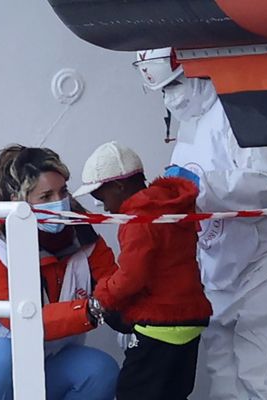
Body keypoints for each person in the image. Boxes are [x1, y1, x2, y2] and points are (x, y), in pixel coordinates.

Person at [133, 47, 267, 400]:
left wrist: (197, 185)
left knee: (266, 375)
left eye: (176, 84)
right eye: (165, 90)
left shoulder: (242, 109)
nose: (172, 97)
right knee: (223, 376)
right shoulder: (191, 124)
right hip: (222, 267)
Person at [0, 145, 120, 400]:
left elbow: (116, 286)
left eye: (63, 191)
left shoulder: (86, 241)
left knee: (101, 370)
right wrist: (92, 309)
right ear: (18, 202)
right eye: (45, 196)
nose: (59, 203)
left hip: (42, 362)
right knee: (4, 356)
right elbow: (21, 322)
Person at [73, 141, 213, 400]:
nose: (103, 207)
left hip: (159, 323)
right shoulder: (171, 207)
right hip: (191, 318)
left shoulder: (139, 219)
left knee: (132, 392)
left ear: (119, 186)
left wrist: (99, 298)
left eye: (101, 198)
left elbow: (131, 278)